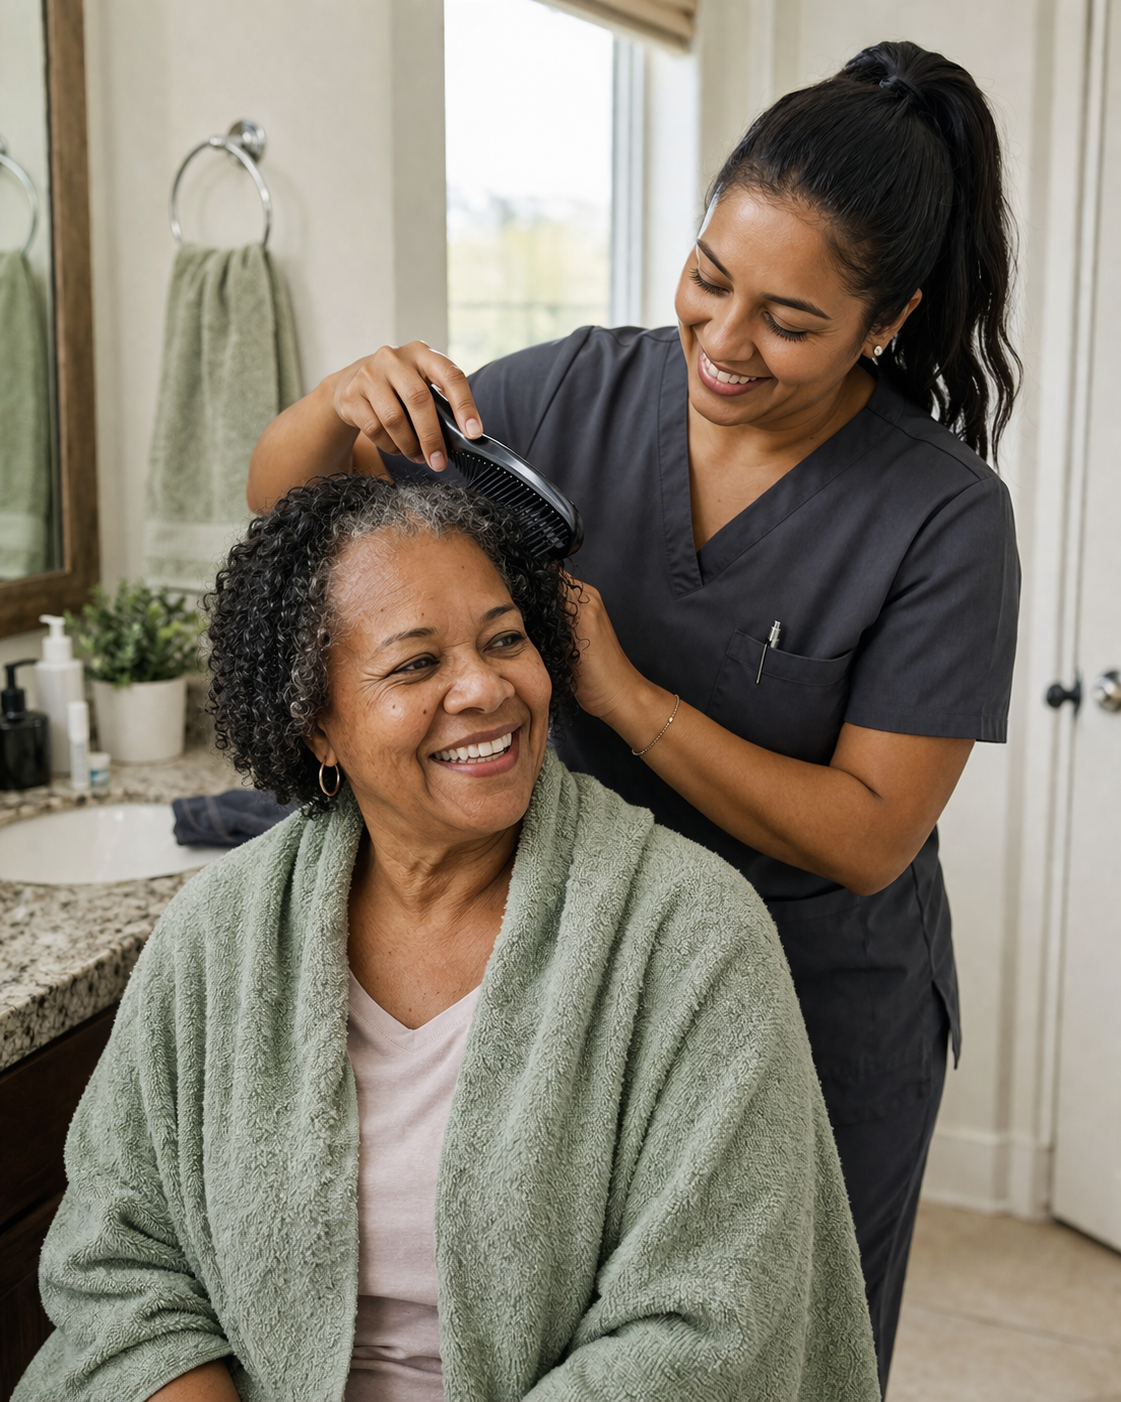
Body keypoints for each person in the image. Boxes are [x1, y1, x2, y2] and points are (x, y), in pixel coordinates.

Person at [246, 40, 1022, 1390]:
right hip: (575, 976)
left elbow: (868, 834)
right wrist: (329, 407)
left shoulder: (943, 515)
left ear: (883, 323)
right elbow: (288, 517)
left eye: (787, 320)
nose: (723, 342)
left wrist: (620, 690)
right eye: (710, 280)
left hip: (815, 1001)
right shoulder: (566, 393)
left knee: (776, 1352)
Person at [15, 476, 880, 1402]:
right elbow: (119, 1261)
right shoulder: (217, 936)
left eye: (505, 639)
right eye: (415, 664)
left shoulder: (689, 937)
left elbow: (709, 1325)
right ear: (318, 726)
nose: (484, 689)